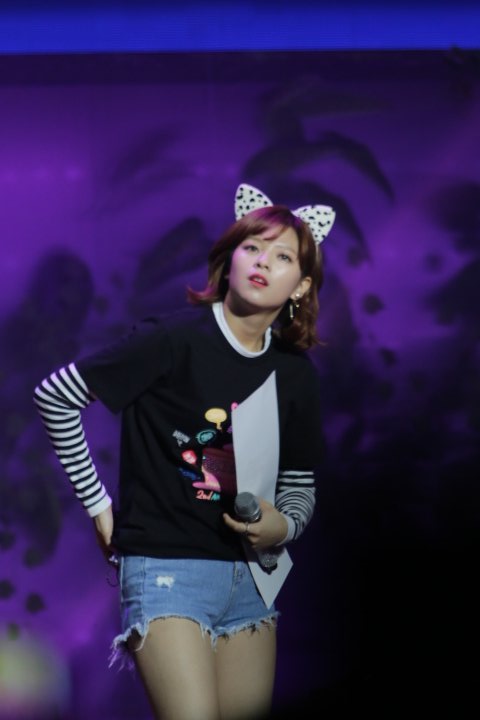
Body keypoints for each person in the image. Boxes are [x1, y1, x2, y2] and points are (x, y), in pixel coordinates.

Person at [33, 183, 335, 720]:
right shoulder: (172, 339)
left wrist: (282, 526)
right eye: (251, 247)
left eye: (282, 256)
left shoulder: (295, 374)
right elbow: (55, 396)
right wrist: (99, 508)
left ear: (302, 285)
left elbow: (298, 483)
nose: (263, 261)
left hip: (251, 580)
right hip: (167, 571)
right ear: (228, 259)